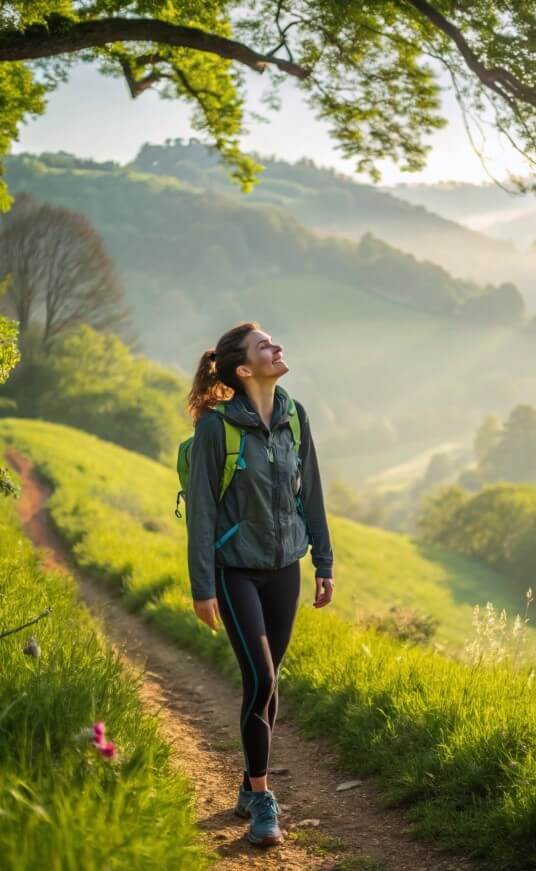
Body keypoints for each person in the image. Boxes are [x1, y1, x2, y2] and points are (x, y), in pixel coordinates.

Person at [184, 320, 335, 848]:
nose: (277, 346)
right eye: (264, 345)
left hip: (285, 568)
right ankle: (263, 798)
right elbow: (202, 511)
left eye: (274, 340)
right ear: (244, 369)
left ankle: (249, 786)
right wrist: (202, 585)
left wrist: (324, 561)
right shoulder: (215, 429)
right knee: (264, 680)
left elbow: (310, 490)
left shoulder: (295, 417)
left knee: (265, 685)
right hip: (235, 570)